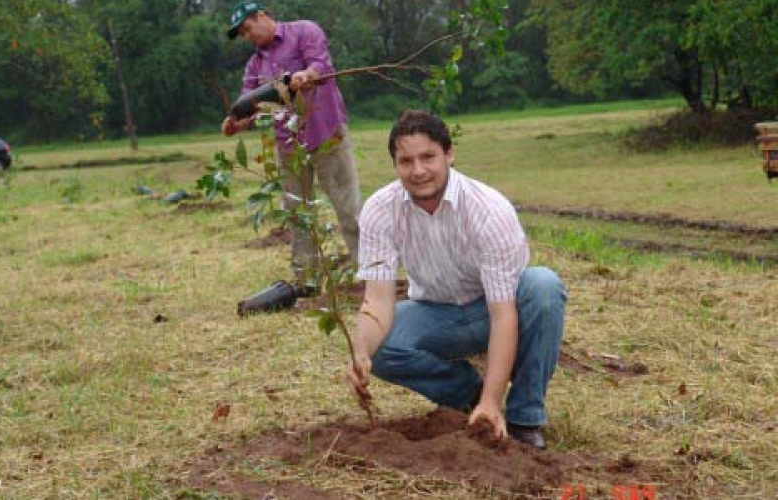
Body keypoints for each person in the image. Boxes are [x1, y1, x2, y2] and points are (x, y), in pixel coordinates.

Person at [346, 110, 566, 449]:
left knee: (543, 286)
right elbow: (377, 300)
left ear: (449, 154)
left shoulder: (489, 210)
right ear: (395, 164)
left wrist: (497, 399)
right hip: (436, 311)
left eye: (428, 157)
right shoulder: (379, 210)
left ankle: (523, 418)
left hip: (498, 307)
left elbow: (503, 313)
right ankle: (470, 396)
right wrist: (361, 353)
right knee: (381, 345)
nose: (418, 171)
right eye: (406, 161)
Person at [222, 2, 361, 300]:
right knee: (298, 213)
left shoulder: (304, 31)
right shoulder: (255, 66)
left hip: (326, 135)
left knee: (347, 206)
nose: (248, 36)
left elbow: (321, 65)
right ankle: (307, 282)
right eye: (243, 34)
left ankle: (368, 274)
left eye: (248, 28)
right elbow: (250, 108)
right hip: (289, 146)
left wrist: (306, 75)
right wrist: (235, 123)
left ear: (262, 16)